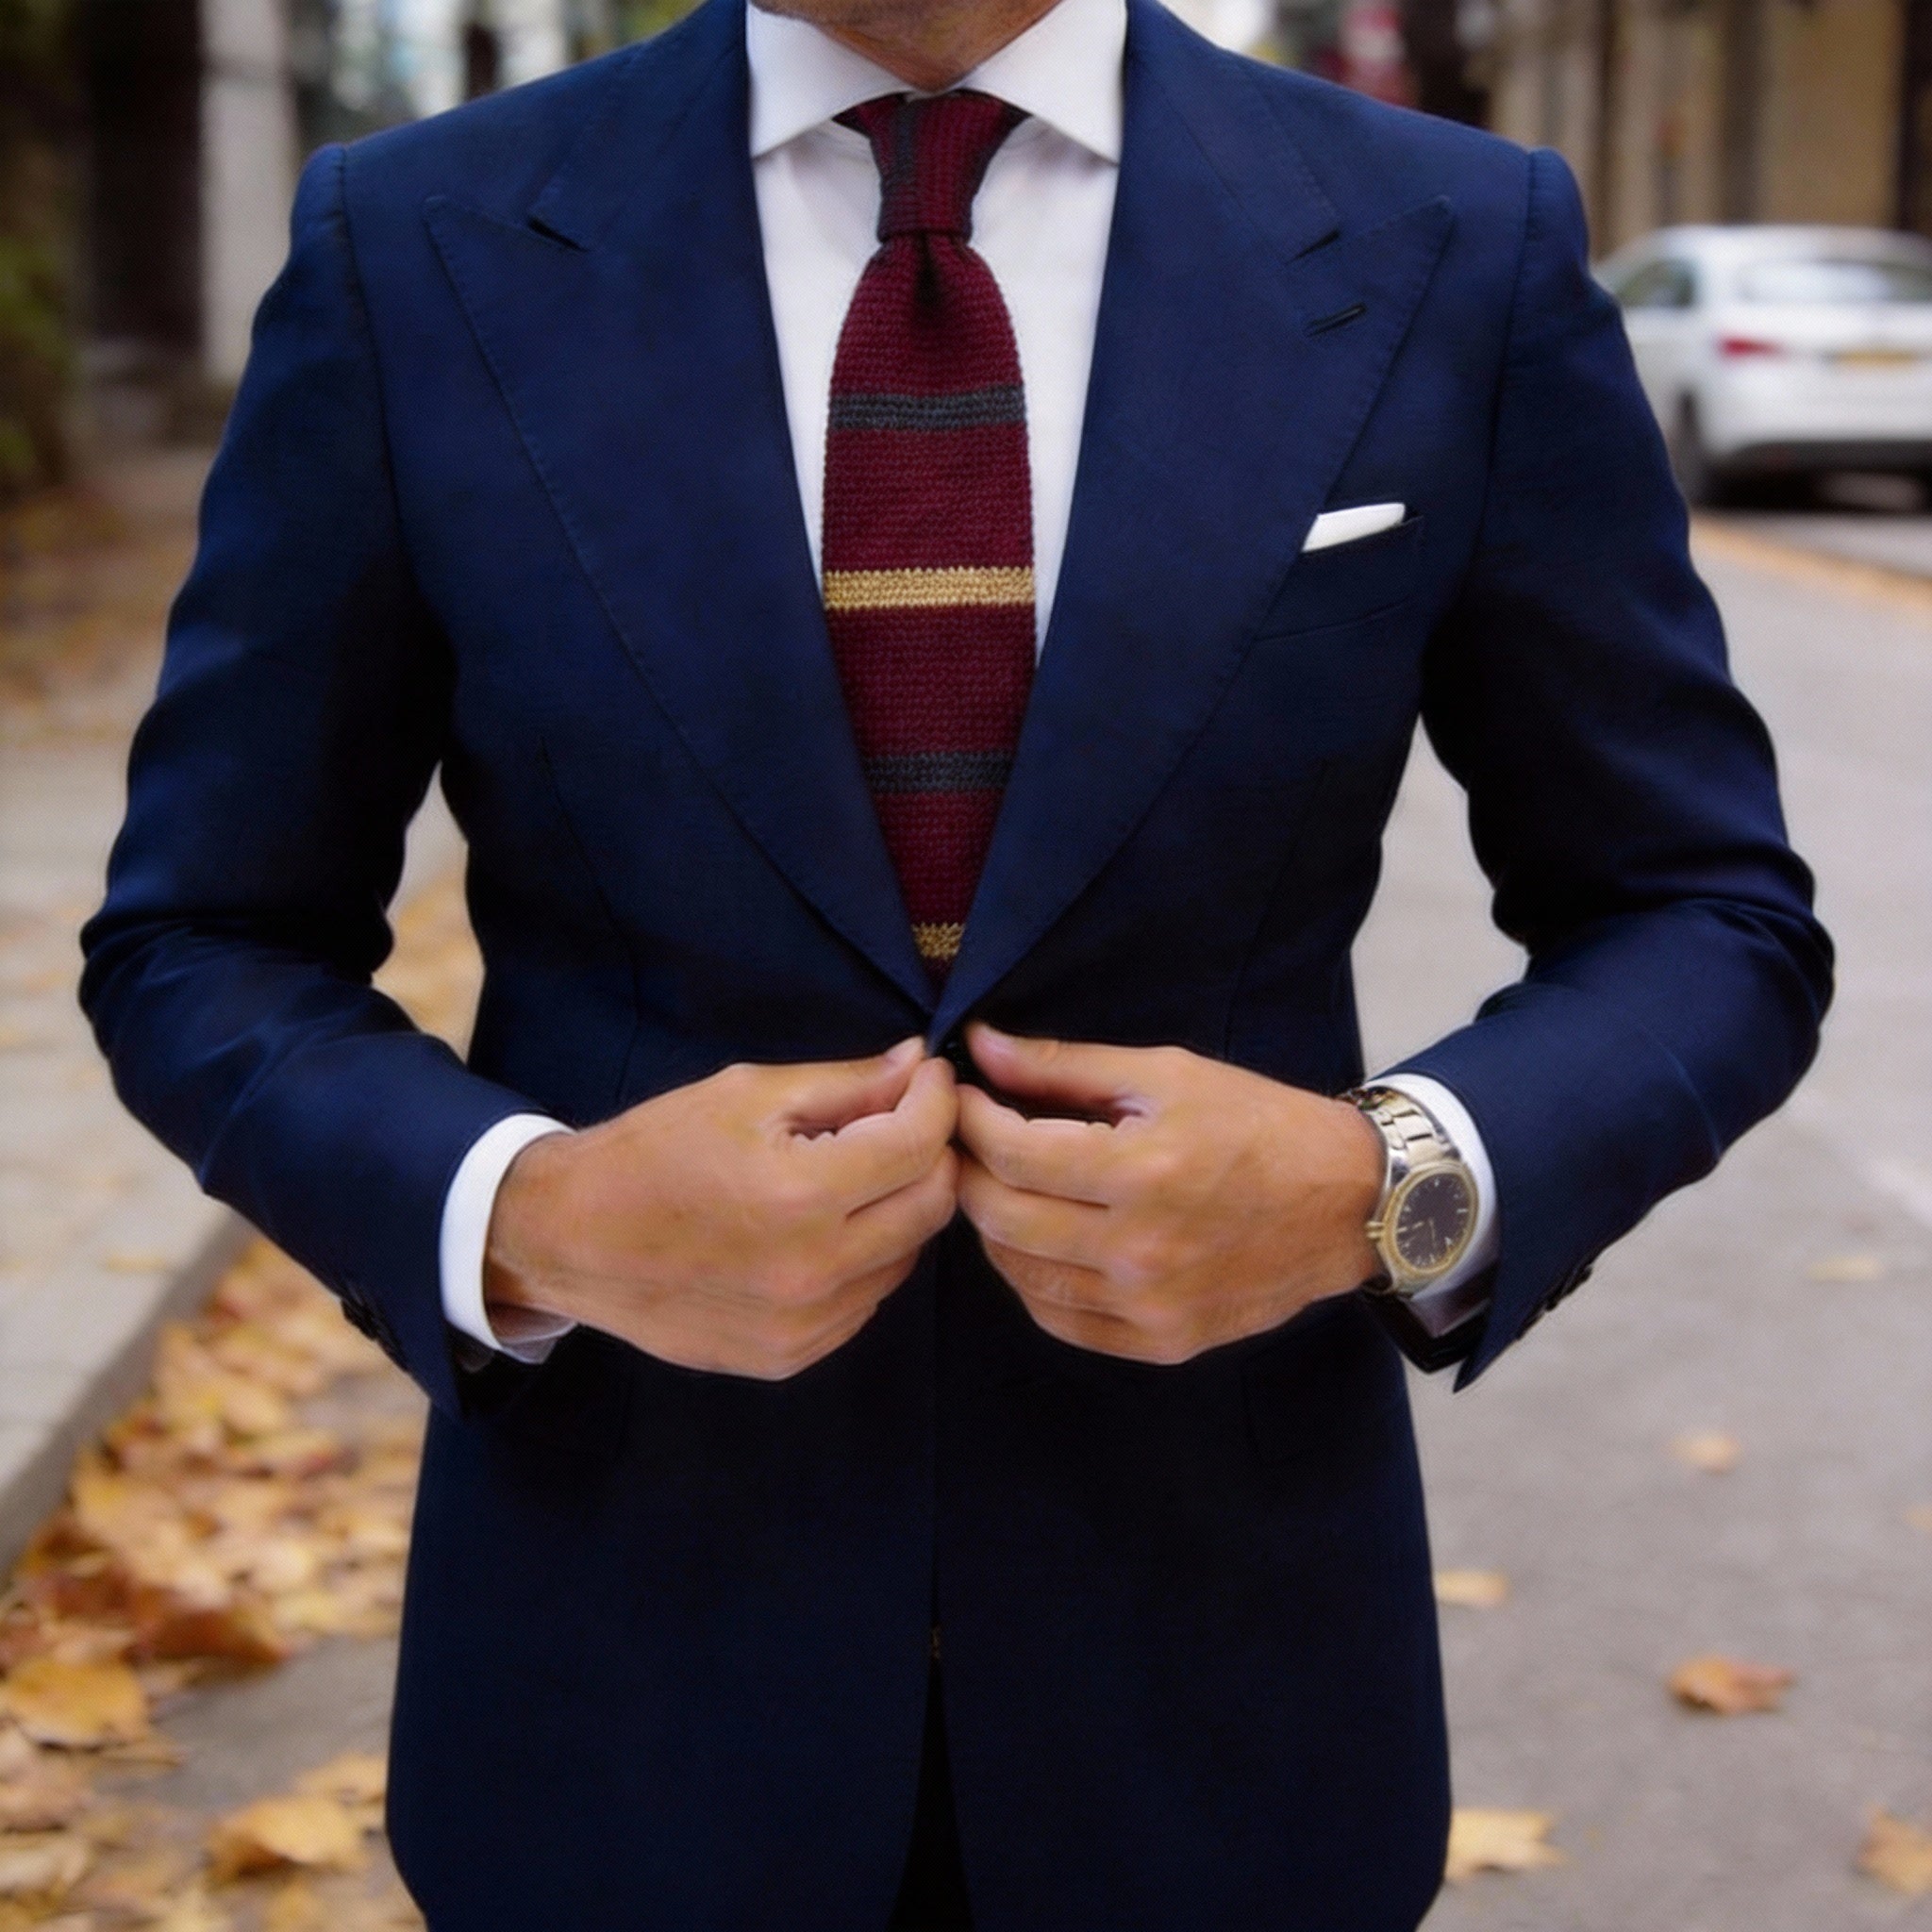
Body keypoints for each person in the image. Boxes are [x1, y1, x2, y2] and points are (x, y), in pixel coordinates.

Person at [78, 0, 1832, 1919]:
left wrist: (1380, 1185)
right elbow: (206, 935)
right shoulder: (416, 238)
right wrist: (531, 1212)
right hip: (623, 1690)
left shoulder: (1447, 236)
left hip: (1221, 1689)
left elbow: (1701, 914)